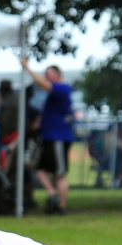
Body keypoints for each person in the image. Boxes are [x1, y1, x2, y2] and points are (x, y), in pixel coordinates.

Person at [22, 59, 74, 214]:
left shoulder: (62, 88)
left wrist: (27, 67)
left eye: (48, 75)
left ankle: (61, 207)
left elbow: (43, 84)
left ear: (57, 75)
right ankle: (53, 196)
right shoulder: (52, 96)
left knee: (59, 174)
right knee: (40, 170)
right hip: (49, 137)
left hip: (58, 137)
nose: (45, 78)